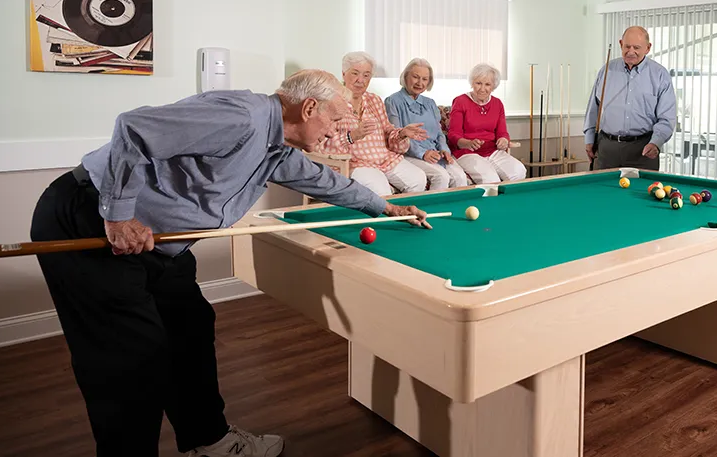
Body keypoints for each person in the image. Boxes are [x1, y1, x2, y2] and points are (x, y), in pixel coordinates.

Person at [28, 69, 431, 457]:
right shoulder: (242, 116)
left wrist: (386, 208)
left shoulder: (277, 148)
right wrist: (118, 216)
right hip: (90, 218)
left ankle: (210, 441)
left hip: (156, 244)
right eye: (336, 120)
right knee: (130, 359)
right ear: (309, 108)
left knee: (191, 328)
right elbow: (134, 128)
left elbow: (324, 181)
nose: (337, 131)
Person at [318, 52, 429, 196]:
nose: (360, 80)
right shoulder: (331, 102)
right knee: (380, 188)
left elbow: (388, 132)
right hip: (354, 163)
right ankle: (387, 211)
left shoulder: (374, 100)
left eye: (366, 75)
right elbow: (321, 145)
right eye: (355, 73)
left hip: (385, 159)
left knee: (418, 179)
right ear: (344, 74)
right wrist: (351, 136)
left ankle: (406, 210)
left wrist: (401, 133)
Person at [583, 25, 677, 170]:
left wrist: (656, 143)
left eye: (636, 47)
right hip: (607, 149)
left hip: (643, 150)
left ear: (648, 48)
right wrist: (589, 139)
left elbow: (667, 118)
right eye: (627, 46)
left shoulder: (660, 75)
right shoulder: (607, 70)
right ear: (621, 44)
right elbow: (593, 109)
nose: (631, 51)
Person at [385, 58, 469, 189]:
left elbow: (439, 133)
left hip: (435, 152)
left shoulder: (430, 103)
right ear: (406, 76)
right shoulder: (392, 101)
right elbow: (396, 136)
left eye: (424, 79)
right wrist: (423, 153)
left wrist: (444, 150)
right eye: (415, 77)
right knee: (441, 176)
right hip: (409, 154)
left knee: (460, 177)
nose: (420, 83)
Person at [447, 63, 526, 184]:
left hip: (493, 151)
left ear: (493, 86)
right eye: (478, 83)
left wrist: (503, 140)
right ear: (472, 83)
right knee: (490, 179)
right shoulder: (460, 101)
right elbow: (453, 134)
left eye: (487, 84)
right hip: (467, 152)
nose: (482, 89)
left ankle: (508, 197)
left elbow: (502, 132)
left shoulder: (497, 104)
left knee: (519, 172)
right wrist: (468, 143)